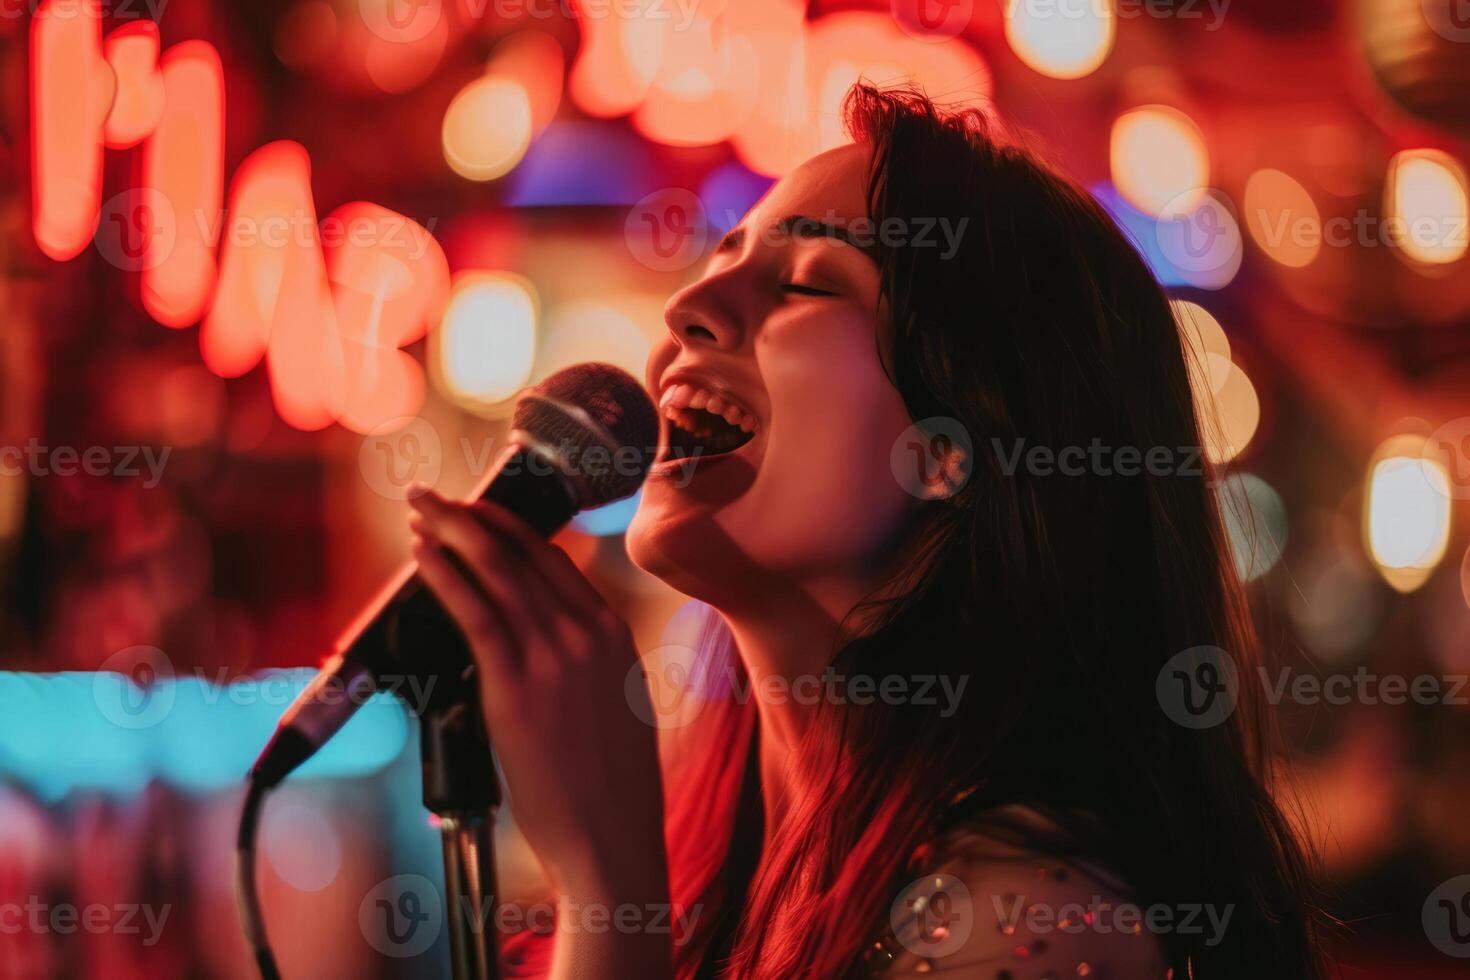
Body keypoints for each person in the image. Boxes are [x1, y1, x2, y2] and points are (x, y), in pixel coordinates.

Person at [406, 84, 1325, 979]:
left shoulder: (1027, 922)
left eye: (806, 282)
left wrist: (608, 889)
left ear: (952, 447)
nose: (689, 309)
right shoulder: (730, 854)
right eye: (720, 257)